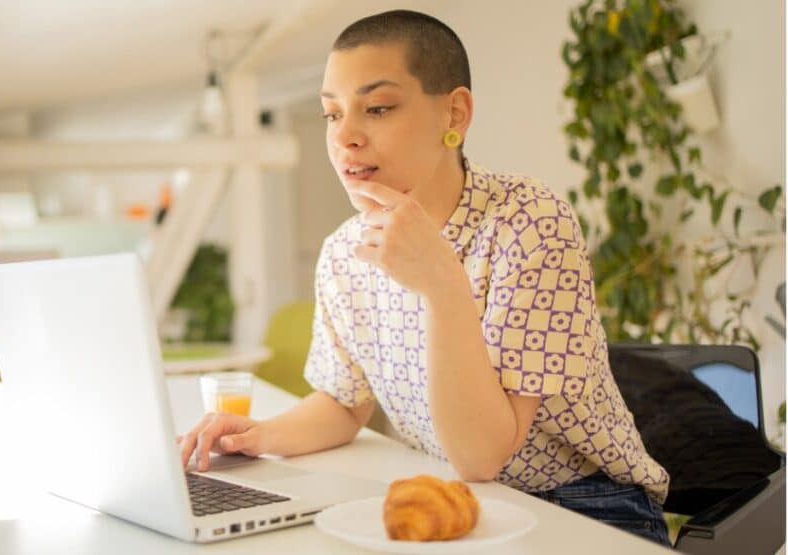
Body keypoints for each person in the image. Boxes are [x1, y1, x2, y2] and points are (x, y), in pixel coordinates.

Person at [178, 9, 671, 546]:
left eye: (378, 108)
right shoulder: (344, 252)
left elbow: (483, 455)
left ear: (454, 113)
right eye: (330, 114)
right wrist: (260, 435)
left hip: (589, 506)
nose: (345, 137)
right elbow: (344, 403)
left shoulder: (531, 224)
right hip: (461, 497)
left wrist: (442, 284)